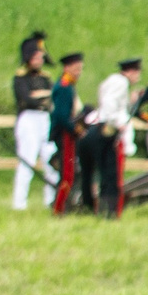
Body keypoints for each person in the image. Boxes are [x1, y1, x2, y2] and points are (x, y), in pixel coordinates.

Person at [74, 57, 140, 217]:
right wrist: (118, 123)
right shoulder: (121, 83)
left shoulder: (111, 80)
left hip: (95, 130)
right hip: (107, 131)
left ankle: (91, 208)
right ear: (132, 72)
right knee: (111, 174)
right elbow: (110, 104)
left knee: (93, 173)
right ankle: (110, 211)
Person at [9, 40, 57, 211]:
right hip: (28, 119)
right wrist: (41, 97)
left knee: (51, 159)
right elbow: (26, 99)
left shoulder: (45, 78)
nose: (39, 61)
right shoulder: (20, 77)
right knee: (27, 160)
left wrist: (40, 96)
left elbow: (52, 97)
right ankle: (19, 203)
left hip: (44, 118)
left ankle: (50, 200)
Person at [47, 52, 86, 215]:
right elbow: (62, 116)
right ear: (67, 68)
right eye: (76, 69)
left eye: (80, 69)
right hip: (65, 135)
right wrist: (77, 130)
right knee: (68, 173)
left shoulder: (68, 85)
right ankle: (60, 208)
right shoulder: (64, 87)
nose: (78, 72)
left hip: (66, 133)